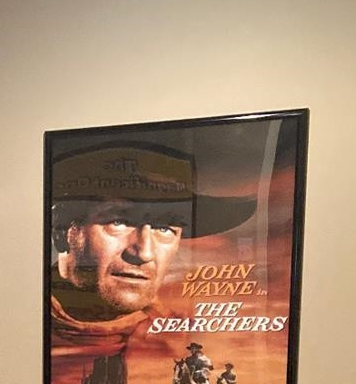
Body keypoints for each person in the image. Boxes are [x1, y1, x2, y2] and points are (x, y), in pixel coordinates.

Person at [48, 143, 257, 361]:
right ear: (62, 233)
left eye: (164, 228)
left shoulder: (185, 339)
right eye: (119, 221)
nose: (144, 253)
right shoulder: (23, 322)